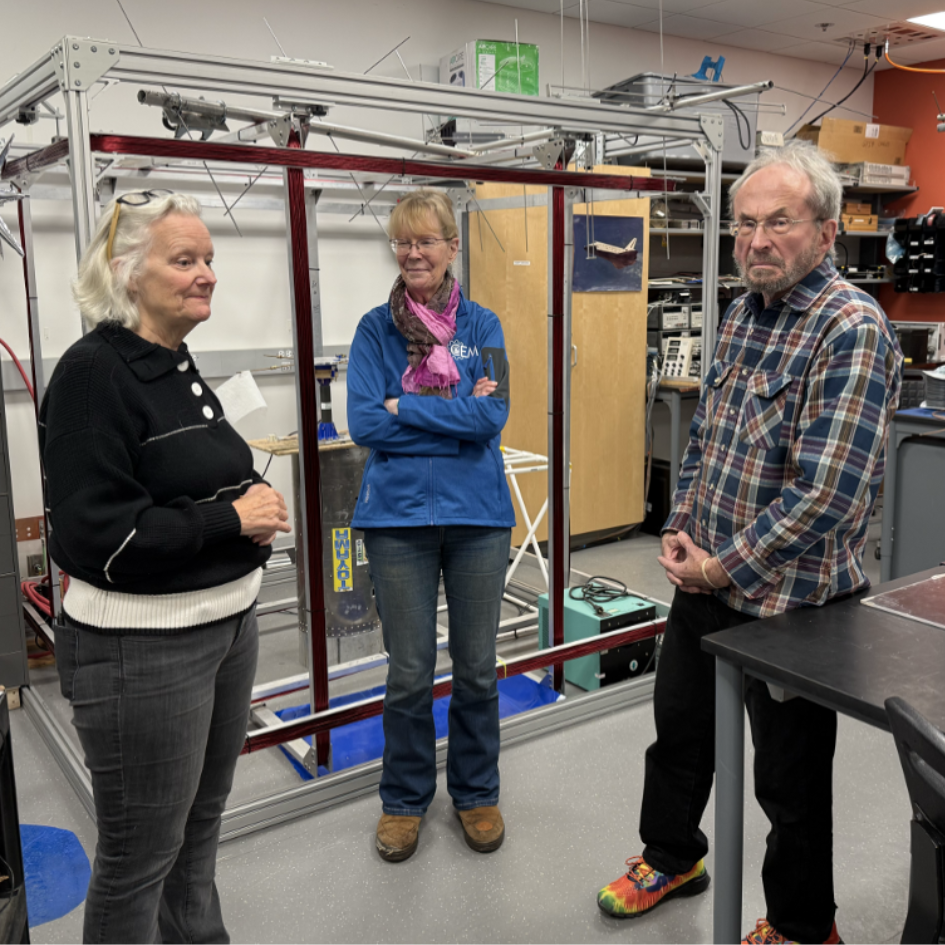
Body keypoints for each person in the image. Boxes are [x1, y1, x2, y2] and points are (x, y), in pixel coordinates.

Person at [596, 141, 903, 944]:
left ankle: (803, 926)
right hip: (703, 583)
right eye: (743, 225)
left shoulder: (850, 330)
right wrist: (678, 527)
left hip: (792, 606)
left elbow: (827, 495)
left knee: (788, 780)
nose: (756, 241)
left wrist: (719, 562)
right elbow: (705, 442)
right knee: (680, 735)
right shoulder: (740, 314)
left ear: (826, 232)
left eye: (777, 223)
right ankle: (671, 855)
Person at [41, 190, 291, 943]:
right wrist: (231, 516)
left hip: (223, 628)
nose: (207, 274)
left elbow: (186, 476)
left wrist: (245, 491)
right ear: (125, 274)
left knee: (199, 827)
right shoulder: (94, 374)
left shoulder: (171, 362)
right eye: (185, 260)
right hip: (143, 651)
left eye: (209, 259)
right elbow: (102, 539)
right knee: (139, 855)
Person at [347, 189, 515, 862]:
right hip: (396, 520)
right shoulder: (372, 330)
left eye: (426, 240)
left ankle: (475, 791)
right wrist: (452, 422)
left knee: (475, 668)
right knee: (409, 671)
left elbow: (493, 415)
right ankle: (404, 799)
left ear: (452, 246)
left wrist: (405, 407)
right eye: (402, 241)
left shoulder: (485, 325)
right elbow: (364, 421)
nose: (413, 252)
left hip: (477, 518)